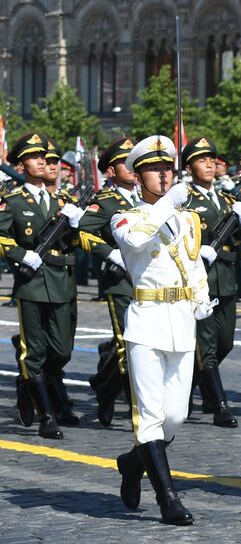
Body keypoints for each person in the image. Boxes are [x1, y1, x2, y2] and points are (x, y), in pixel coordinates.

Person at [109, 135, 215, 526]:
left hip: (182, 321)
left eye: (169, 168)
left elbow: (193, 263)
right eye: (155, 169)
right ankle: (168, 499)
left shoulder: (187, 218)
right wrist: (167, 206)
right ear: (138, 177)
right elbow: (136, 240)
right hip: (147, 320)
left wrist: (202, 297)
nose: (164, 175)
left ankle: (132, 462)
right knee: (151, 416)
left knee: (176, 416)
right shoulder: (126, 217)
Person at [0, 133, 82, 438]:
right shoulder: (13, 201)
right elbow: (1, 235)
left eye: (44, 158)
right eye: (34, 158)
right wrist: (22, 255)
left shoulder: (62, 201)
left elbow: (72, 243)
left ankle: (27, 384)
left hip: (61, 282)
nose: (42, 162)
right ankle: (47, 416)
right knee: (34, 351)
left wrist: (73, 226)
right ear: (22, 164)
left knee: (61, 351)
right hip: (32, 282)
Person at [182, 136, 241, 428]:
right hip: (201, 280)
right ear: (189, 166)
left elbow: (237, 239)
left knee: (226, 343)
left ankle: (191, 389)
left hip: (225, 279)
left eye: (212, 160)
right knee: (206, 345)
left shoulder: (225, 200)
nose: (209, 165)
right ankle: (219, 405)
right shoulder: (184, 198)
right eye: (201, 160)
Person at [78, 137, 138, 427]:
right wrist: (109, 253)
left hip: (152, 280)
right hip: (122, 281)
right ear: (111, 172)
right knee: (130, 346)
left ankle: (104, 384)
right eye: (124, 163)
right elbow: (83, 233)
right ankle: (129, 403)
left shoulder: (150, 198)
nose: (132, 167)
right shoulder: (104, 202)